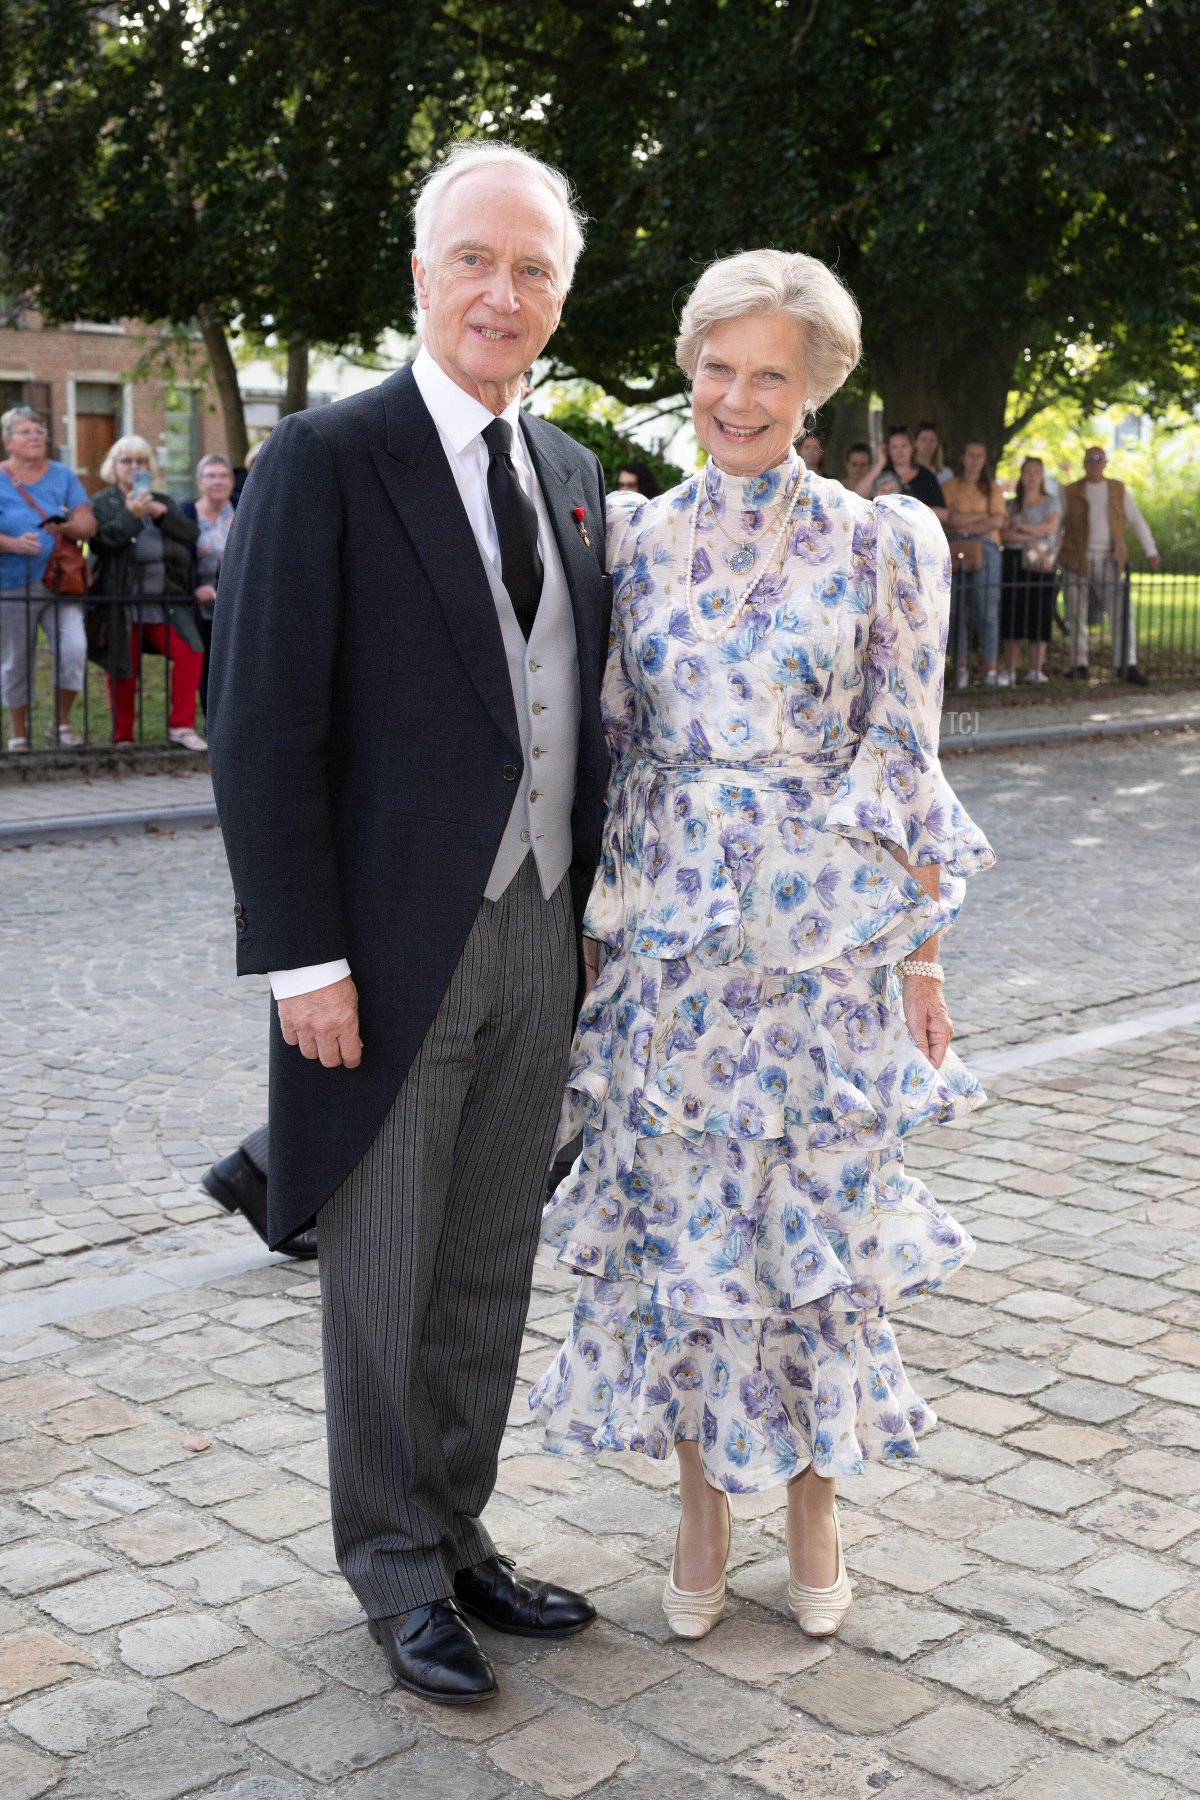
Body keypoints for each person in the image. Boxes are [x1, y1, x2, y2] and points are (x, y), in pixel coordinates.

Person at [529, 248, 994, 1645]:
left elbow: (904, 757)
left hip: (823, 954)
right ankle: (698, 1509)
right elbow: (607, 748)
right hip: (670, 949)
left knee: (816, 1248)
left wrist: (921, 966)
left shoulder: (883, 543)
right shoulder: (631, 536)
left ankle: (811, 1504)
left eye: (769, 375)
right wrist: (598, 953)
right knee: (683, 1238)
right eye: (718, 367)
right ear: (690, 368)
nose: (738, 397)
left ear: (816, 389)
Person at [207, 140, 612, 1707]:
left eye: (533, 271)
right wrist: (304, 960)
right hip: (376, 954)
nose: (501, 294)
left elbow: (580, 713)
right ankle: (389, 1571)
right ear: (422, 271)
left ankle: (456, 1532)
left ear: (559, 298)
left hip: (539, 935)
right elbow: (261, 730)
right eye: (475, 261)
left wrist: (590, 918)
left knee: (488, 1264)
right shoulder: (326, 456)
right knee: (377, 1281)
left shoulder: (572, 474)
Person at [89, 437, 204, 749]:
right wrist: (131, 515)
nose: (135, 467)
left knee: (190, 651)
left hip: (162, 605)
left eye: (141, 462)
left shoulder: (161, 500)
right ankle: (123, 736)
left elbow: (191, 534)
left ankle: (181, 726)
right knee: (123, 667)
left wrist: (160, 514)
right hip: (121, 605)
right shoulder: (102, 502)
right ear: (113, 467)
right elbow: (103, 541)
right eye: (127, 461)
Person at [0, 406, 95, 752]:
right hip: (11, 584)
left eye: (39, 431)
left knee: (73, 649)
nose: (36, 437)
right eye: (26, 432)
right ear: (7, 440)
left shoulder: (63, 475)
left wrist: (67, 526)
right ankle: (18, 734)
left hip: (61, 581)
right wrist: (10, 543)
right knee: (15, 660)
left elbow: (88, 525)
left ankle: (60, 724)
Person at [1060, 445, 1158, 685]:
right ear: (1084, 463)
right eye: (1090, 459)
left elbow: (1136, 521)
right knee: (1076, 613)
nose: (1094, 463)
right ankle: (1079, 664)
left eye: (1098, 459)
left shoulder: (1117, 489)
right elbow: (1056, 523)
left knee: (1122, 612)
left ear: (1105, 463)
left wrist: (1151, 550)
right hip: (1077, 559)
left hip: (1110, 559)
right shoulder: (1071, 491)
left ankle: (1127, 664)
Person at [942, 441, 1007, 688]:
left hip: (987, 551)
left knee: (986, 612)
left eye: (980, 455)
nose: (975, 460)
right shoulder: (950, 486)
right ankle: (961, 669)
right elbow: (949, 518)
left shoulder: (993, 489)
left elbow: (999, 520)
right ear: (963, 457)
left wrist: (964, 523)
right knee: (957, 611)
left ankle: (990, 670)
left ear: (985, 459)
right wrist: (983, 518)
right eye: (971, 455)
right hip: (957, 548)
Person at [181, 454, 238, 720]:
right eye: (211, 476)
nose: (218, 481)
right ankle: (212, 723)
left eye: (223, 475)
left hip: (239, 602)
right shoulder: (186, 513)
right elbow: (178, 558)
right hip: (200, 604)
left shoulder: (243, 509)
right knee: (208, 666)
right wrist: (195, 587)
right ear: (199, 482)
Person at [1000, 456, 1059, 685]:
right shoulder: (1011, 504)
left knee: (1040, 613)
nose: (1032, 477)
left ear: (1042, 476)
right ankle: (1011, 670)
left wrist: (1022, 528)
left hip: (1041, 561)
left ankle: (1036, 669)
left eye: (1037, 472)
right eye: (1028, 472)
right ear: (1022, 475)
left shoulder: (1051, 501)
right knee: (1013, 613)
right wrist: (1037, 532)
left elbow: (1050, 528)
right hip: (1014, 561)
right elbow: (1004, 534)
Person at [855, 426, 947, 521]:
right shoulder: (882, 473)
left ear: (912, 447)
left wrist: (911, 509)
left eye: (904, 446)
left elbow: (944, 515)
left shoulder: (925, 476)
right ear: (888, 451)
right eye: (894, 447)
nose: (899, 451)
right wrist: (880, 463)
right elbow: (858, 495)